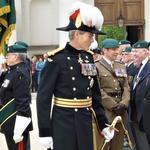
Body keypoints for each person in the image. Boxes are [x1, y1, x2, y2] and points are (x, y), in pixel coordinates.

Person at [36, 2, 114, 150]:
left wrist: (102, 124)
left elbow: (95, 95)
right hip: (63, 124)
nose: (93, 40)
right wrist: (44, 132)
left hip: (84, 122)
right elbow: (43, 98)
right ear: (77, 34)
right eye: (90, 36)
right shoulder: (56, 59)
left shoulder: (88, 57)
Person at [95, 38, 130, 150]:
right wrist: (113, 105)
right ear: (104, 50)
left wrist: (124, 103)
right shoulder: (96, 66)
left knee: (118, 145)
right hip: (105, 111)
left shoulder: (121, 65)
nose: (117, 52)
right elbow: (97, 90)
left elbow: (126, 86)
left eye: (117, 49)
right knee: (104, 145)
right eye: (113, 49)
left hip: (120, 111)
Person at [0, 43, 33, 150]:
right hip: (10, 122)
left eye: (8, 55)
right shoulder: (12, 71)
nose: (6, 57)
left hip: (16, 124)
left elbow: (23, 102)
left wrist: (19, 130)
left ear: (15, 56)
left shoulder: (20, 73)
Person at [130, 40, 150, 150]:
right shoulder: (139, 67)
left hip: (146, 116)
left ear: (146, 52)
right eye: (133, 52)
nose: (133, 54)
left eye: (136, 51)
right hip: (137, 114)